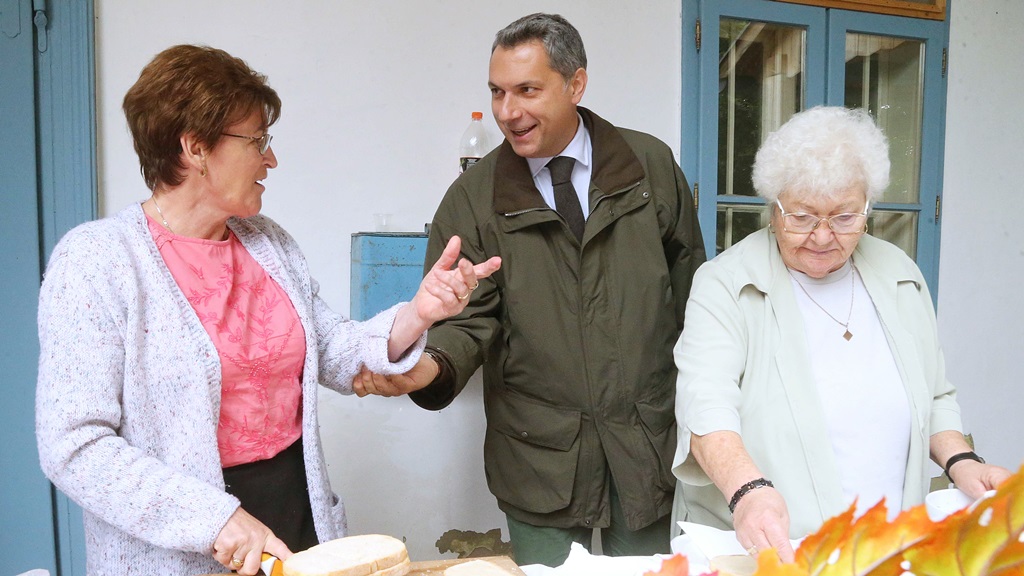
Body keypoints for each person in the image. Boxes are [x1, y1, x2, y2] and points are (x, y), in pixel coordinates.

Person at [34, 44, 500, 576]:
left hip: (294, 520)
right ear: (195, 148)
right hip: (180, 546)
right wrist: (214, 518)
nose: (270, 158)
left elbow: (334, 350)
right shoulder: (97, 262)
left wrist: (421, 311)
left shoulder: (267, 243)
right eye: (257, 140)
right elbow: (75, 446)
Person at [355, 13, 705, 567]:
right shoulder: (471, 200)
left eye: (527, 90)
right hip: (541, 460)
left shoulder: (650, 168)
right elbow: (464, 321)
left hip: (646, 446)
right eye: (496, 92)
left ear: (576, 84)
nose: (507, 111)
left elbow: (693, 302)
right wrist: (429, 367)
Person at [670, 106, 1011, 563]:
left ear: (867, 209)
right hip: (773, 551)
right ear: (774, 209)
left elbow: (934, 396)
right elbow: (705, 406)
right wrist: (748, 490)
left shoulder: (900, 275)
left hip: (886, 546)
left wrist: (963, 463)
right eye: (804, 216)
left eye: (845, 217)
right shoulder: (726, 284)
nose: (823, 236)